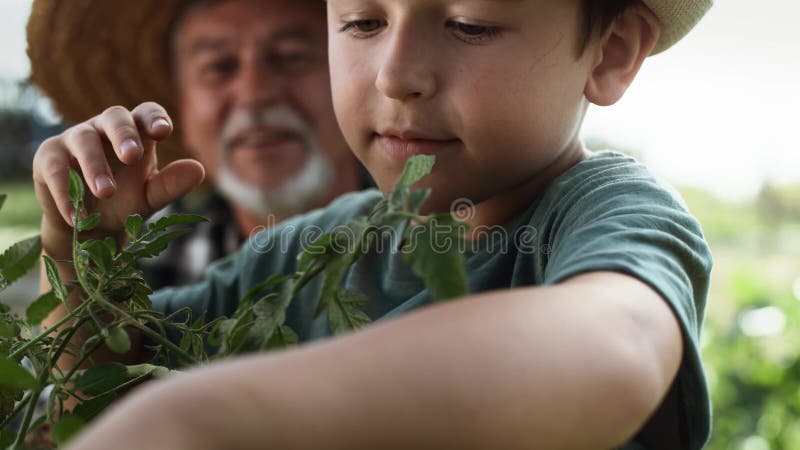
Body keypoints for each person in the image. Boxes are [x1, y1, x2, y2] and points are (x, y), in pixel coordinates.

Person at [33, 0, 714, 448]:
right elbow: (103, 387)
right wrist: (81, 254)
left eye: (470, 22)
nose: (396, 76)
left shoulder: (600, 213)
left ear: (611, 51)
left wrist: (207, 416)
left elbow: (619, 345)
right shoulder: (304, 252)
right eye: (362, 21)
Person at [26, 0, 368, 288]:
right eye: (218, 67)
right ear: (182, 112)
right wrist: (84, 242)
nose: (254, 94)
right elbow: (84, 360)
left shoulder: (416, 232)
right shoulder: (145, 253)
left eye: (291, 56)